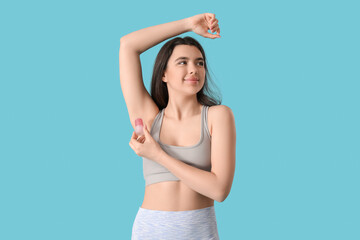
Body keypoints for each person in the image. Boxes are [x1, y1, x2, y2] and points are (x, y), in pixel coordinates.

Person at [119, 13, 236, 240]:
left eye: (199, 63)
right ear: (163, 73)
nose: (193, 69)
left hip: (199, 231)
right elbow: (128, 45)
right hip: (149, 229)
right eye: (182, 62)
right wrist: (187, 25)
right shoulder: (150, 119)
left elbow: (219, 190)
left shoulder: (217, 116)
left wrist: (158, 155)